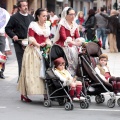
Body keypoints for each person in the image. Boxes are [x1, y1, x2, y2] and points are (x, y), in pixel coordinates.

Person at [18, 8, 51, 102]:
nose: (45, 18)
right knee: (31, 73)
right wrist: (38, 45)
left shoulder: (47, 26)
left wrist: (47, 44)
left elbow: (47, 38)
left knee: (44, 73)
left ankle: (46, 94)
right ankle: (24, 94)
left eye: (46, 16)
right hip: (33, 51)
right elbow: (31, 38)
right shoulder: (33, 25)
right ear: (38, 16)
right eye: (43, 16)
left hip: (43, 51)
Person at [5, 0, 34, 77]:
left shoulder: (31, 18)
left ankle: (28, 79)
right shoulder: (14, 17)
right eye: (24, 6)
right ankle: (21, 80)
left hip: (29, 42)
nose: (26, 7)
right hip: (19, 42)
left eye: (26, 5)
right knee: (21, 61)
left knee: (29, 61)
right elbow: (7, 28)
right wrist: (13, 35)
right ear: (19, 8)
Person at [53, 7, 85, 76]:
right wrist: (74, 43)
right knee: (71, 51)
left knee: (81, 51)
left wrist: (78, 41)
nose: (73, 16)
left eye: (74, 14)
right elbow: (63, 37)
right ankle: (69, 73)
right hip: (64, 44)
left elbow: (77, 36)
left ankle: (78, 72)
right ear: (66, 15)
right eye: (70, 14)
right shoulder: (62, 24)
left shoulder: (74, 24)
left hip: (73, 44)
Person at [0, 7, 10, 79]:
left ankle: (1, 71)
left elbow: (7, 22)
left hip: (1, 35)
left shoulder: (3, 12)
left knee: (2, 54)